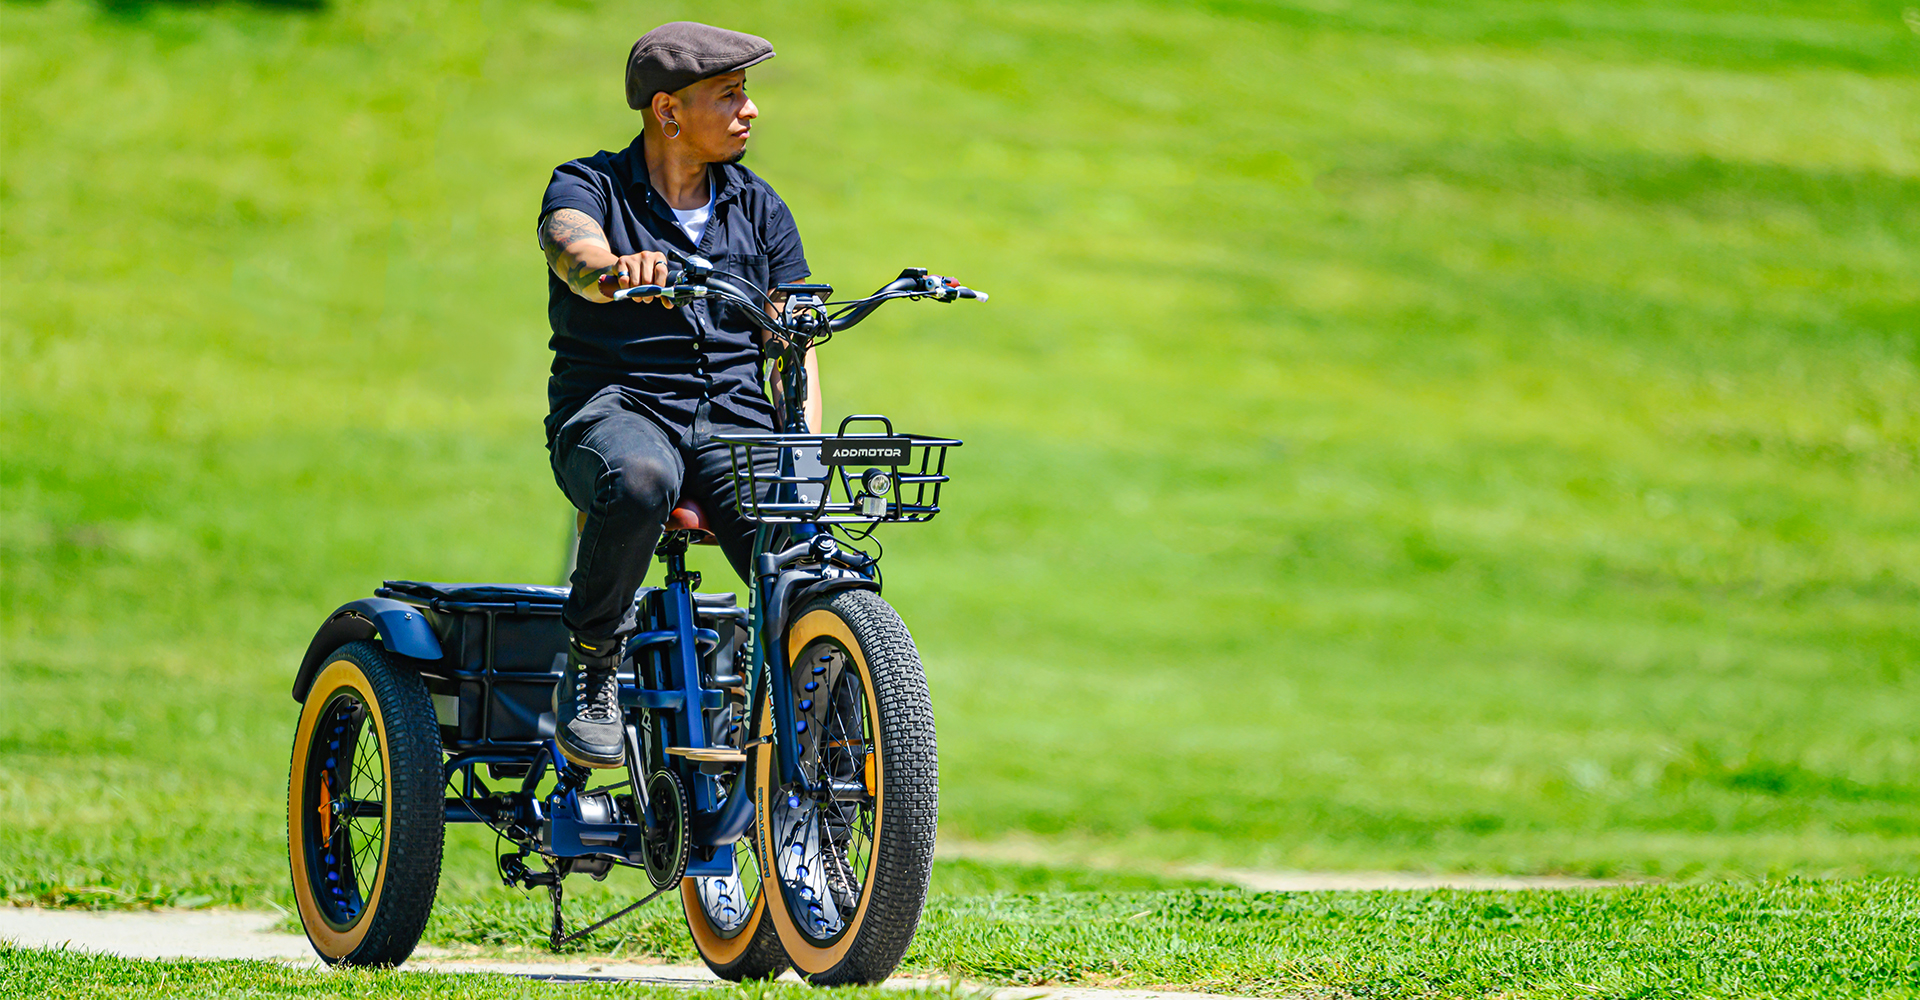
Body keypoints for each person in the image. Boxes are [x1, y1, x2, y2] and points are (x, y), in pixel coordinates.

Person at [537, 21, 817, 769]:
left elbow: (795, 341)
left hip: (733, 425)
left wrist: (801, 450)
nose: (750, 109)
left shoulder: (761, 209)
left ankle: (826, 704)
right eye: (729, 94)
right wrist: (614, 272)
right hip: (615, 412)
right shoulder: (589, 185)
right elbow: (573, 250)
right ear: (667, 111)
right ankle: (594, 662)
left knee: (805, 538)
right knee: (640, 481)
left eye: (747, 93)